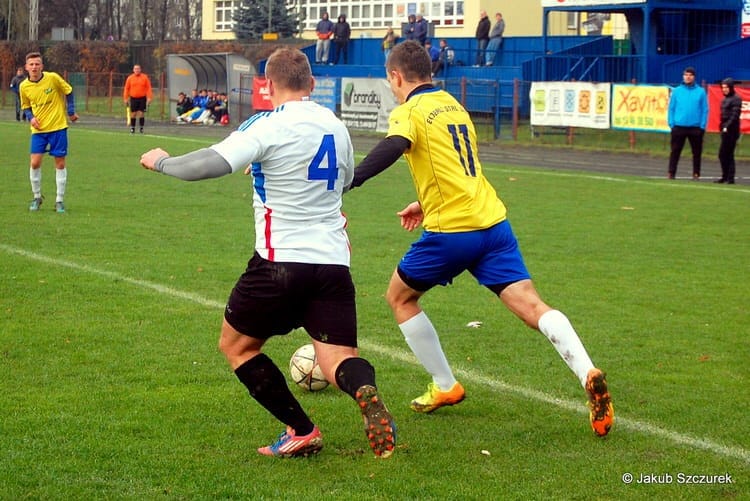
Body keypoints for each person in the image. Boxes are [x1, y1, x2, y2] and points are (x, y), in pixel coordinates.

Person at [139, 47, 396, 459]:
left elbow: (207, 163)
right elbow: (343, 181)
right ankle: (364, 389)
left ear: (268, 85)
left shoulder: (268, 123)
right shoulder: (336, 126)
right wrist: (268, 166)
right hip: (333, 264)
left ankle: (302, 430)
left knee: (237, 346)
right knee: (337, 360)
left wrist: (163, 161)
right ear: (311, 85)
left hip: (280, 263)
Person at [348, 41, 613, 437]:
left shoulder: (409, 110)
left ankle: (445, 385)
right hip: (493, 225)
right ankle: (586, 370)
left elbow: (393, 146)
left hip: (453, 231)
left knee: (400, 298)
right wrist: (424, 200)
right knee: (532, 305)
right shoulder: (454, 105)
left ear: (396, 76)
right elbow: (458, 168)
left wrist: (350, 179)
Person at [19, 51, 78, 213]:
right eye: (31, 64)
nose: (34, 67)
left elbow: (69, 91)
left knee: (59, 163)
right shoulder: (24, 86)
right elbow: (25, 106)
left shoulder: (53, 78)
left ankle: (59, 200)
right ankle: (37, 197)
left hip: (58, 127)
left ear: (42, 66)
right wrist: (31, 117)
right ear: (26, 67)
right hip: (38, 130)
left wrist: (71, 111)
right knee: (35, 162)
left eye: (37, 64)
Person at [667, 66, 708, 180]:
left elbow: (705, 109)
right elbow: (671, 108)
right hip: (679, 126)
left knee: (696, 152)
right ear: (683, 76)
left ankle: (696, 173)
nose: (688, 77)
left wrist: (702, 126)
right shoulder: (677, 91)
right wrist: (672, 123)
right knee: (675, 151)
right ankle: (671, 172)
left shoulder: (700, 92)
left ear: (694, 77)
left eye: (690, 75)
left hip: (695, 128)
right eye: (686, 75)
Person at [715, 77, 742, 184]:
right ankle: (725, 176)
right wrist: (722, 126)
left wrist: (727, 126)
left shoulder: (736, 99)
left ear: (731, 87)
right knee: (723, 154)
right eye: (723, 87)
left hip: (732, 130)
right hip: (725, 129)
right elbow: (723, 116)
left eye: (726, 87)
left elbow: (735, 115)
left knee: (727, 154)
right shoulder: (724, 100)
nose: (724, 89)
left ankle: (730, 178)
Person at [123, 64, 153, 134]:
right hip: (133, 98)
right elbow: (126, 89)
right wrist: (125, 98)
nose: (137, 70)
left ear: (140, 70)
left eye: (138, 69)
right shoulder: (130, 78)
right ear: (133, 70)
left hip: (142, 98)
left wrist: (149, 97)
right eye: (135, 69)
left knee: (141, 113)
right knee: (133, 114)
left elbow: (148, 88)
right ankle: (132, 128)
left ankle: (141, 128)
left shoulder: (145, 77)